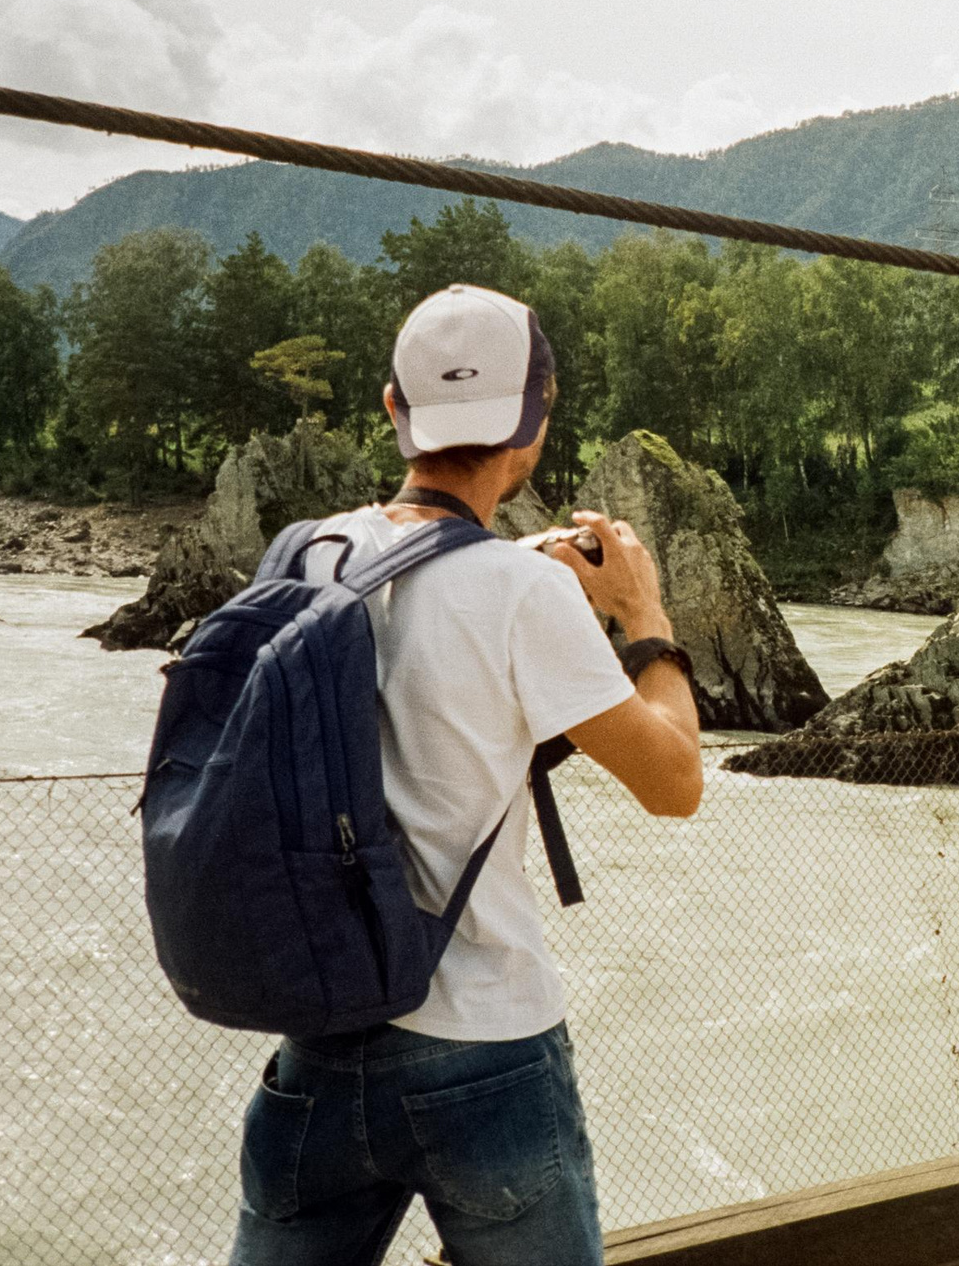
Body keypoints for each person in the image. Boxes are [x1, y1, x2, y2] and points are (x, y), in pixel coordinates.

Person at [230, 284, 703, 1266]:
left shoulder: (308, 554)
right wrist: (645, 617)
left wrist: (511, 563)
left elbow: (411, 596)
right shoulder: (524, 591)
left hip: (320, 1036)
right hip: (488, 1052)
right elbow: (674, 783)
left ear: (393, 407)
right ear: (537, 417)